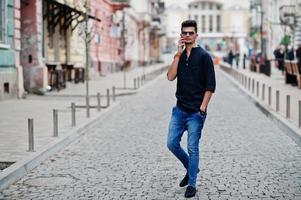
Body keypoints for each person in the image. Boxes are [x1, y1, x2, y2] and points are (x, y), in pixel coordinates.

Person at [166, 20, 216, 198]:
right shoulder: (179, 56)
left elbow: (210, 85)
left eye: (190, 33)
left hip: (196, 112)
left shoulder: (204, 57)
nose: (187, 36)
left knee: (193, 147)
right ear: (181, 35)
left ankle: (192, 184)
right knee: (171, 143)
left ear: (196, 35)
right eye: (184, 33)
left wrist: (202, 107)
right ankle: (191, 167)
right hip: (179, 110)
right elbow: (170, 77)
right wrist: (177, 56)